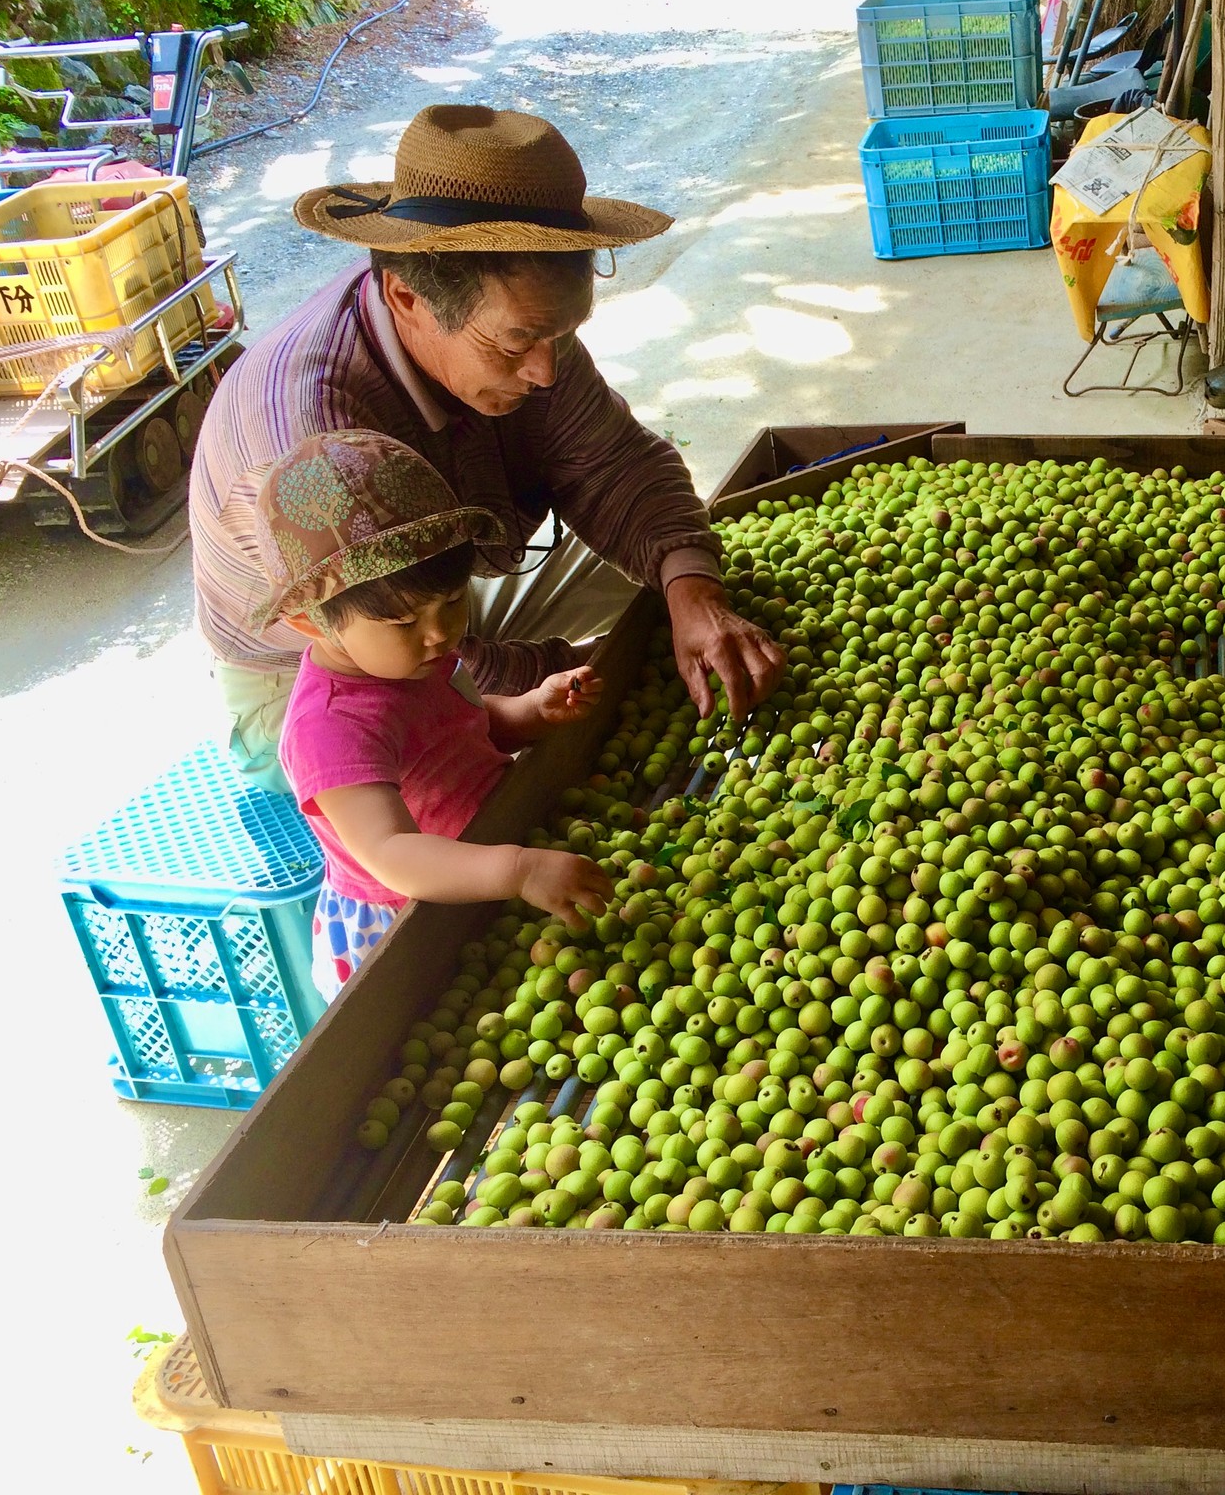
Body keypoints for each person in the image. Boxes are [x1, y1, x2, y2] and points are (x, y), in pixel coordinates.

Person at [191, 103, 783, 794]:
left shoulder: (526, 333)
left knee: (685, 566)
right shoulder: (314, 444)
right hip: (338, 667)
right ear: (407, 297)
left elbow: (616, 462)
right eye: (515, 343)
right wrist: (608, 673)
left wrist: (693, 593)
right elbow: (419, 649)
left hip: (437, 586)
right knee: (477, 788)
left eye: (558, 334)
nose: (546, 372)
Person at [251, 430, 615, 998]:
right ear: (311, 622)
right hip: (409, 920)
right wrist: (516, 870)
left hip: (495, 859)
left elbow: (461, 729)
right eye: (403, 622)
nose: (440, 632)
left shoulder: (416, 660)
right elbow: (393, 855)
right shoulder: (331, 729)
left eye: (451, 601)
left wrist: (529, 712)